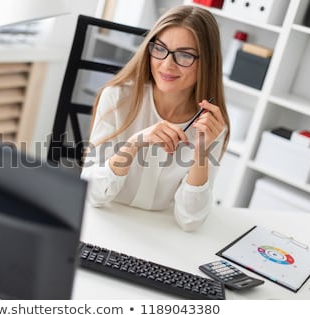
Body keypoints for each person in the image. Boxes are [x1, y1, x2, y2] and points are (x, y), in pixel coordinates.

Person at [80, 5, 231, 232]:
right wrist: (133, 145)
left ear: (207, 62)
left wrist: (201, 151)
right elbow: (92, 193)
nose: (167, 64)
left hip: (158, 233)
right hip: (104, 222)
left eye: (184, 55)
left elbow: (190, 220)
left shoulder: (211, 124)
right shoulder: (118, 98)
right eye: (160, 49)